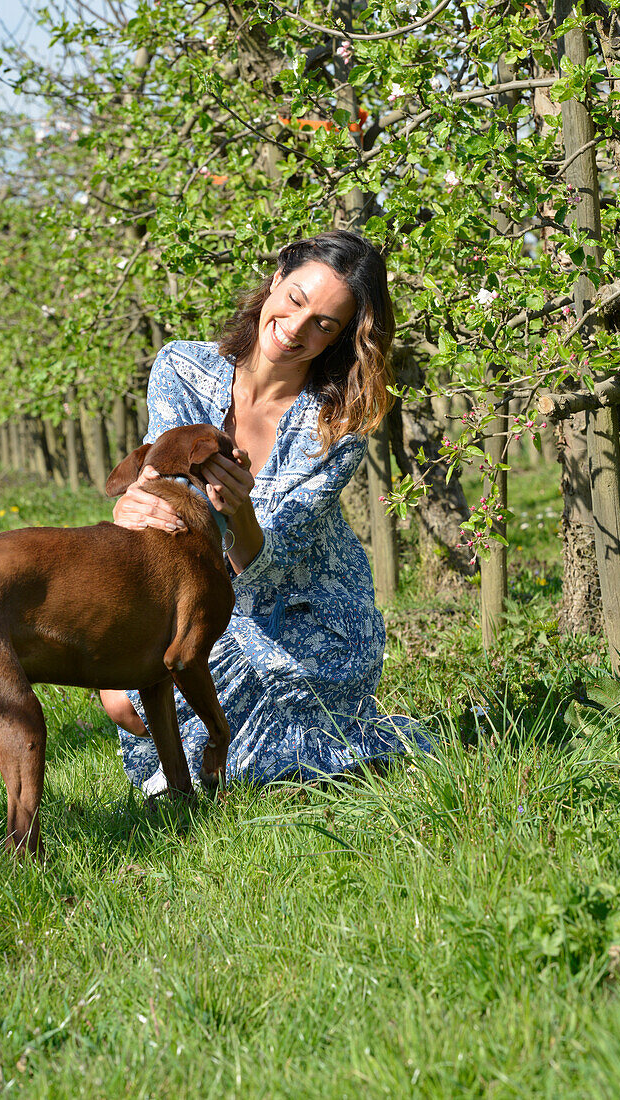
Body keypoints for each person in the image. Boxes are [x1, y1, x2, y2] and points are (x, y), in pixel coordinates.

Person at [101, 229, 422, 795]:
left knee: (238, 762)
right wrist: (135, 504)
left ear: (342, 339)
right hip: (201, 599)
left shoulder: (338, 422)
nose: (298, 329)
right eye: (297, 300)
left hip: (308, 614)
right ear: (277, 281)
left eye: (326, 324)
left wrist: (237, 510)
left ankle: (320, 746)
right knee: (127, 702)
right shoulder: (181, 367)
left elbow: (265, 560)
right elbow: (160, 496)